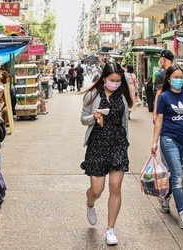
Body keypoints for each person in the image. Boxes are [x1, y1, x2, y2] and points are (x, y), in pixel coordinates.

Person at [80, 62, 133, 246]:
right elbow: (83, 119)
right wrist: (94, 117)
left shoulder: (123, 97)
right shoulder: (92, 95)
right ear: (104, 78)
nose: (115, 84)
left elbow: (125, 122)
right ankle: (90, 203)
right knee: (97, 190)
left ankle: (110, 229)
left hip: (118, 144)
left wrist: (126, 143)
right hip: (97, 145)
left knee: (115, 187)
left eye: (119, 81)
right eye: (112, 80)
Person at [151, 64, 183, 230]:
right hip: (168, 139)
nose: (179, 80)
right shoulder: (164, 97)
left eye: (181, 77)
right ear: (169, 79)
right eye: (175, 77)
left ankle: (165, 198)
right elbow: (159, 120)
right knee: (179, 176)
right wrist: (154, 141)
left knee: (175, 174)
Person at [151, 49, 175, 119]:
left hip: (164, 110)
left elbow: (158, 95)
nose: (160, 61)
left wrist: (155, 114)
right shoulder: (178, 73)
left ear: (164, 59)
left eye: (160, 59)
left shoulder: (160, 75)